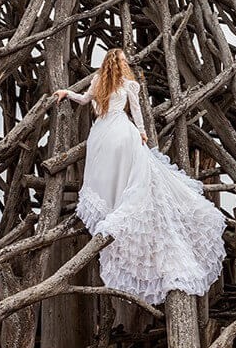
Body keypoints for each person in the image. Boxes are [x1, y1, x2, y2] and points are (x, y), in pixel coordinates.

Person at [53, 48, 226, 305]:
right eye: (123, 61)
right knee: (131, 173)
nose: (125, 64)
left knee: (107, 173)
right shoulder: (128, 84)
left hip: (101, 133)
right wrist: (143, 133)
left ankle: (113, 206)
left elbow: (84, 100)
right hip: (121, 131)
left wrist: (67, 93)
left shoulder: (98, 81)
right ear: (117, 63)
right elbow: (136, 113)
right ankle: (122, 204)